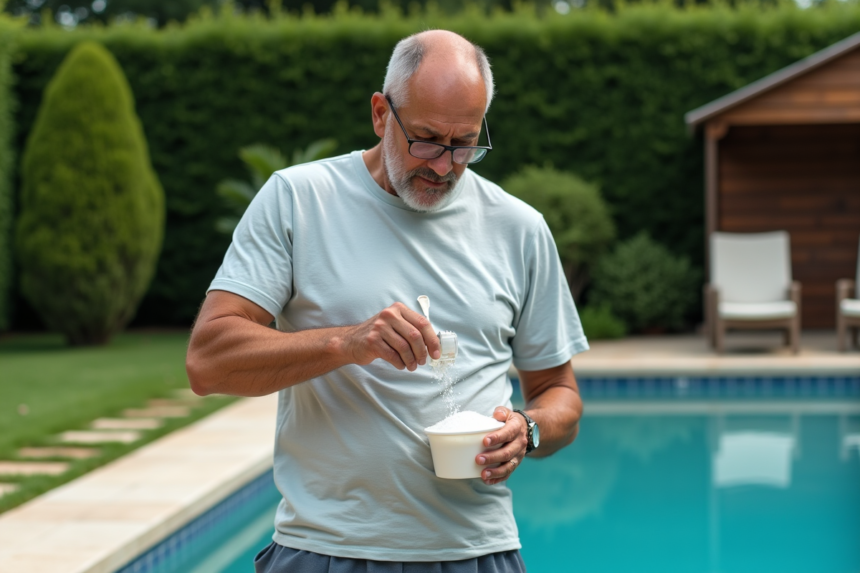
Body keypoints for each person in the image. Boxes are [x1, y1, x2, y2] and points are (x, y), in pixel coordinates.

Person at [186, 29, 588, 573]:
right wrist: (346, 342)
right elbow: (209, 362)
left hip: (477, 553)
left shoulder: (519, 228)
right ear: (381, 114)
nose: (444, 165)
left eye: (464, 143)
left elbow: (558, 392)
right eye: (424, 139)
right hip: (325, 551)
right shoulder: (298, 200)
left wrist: (528, 429)